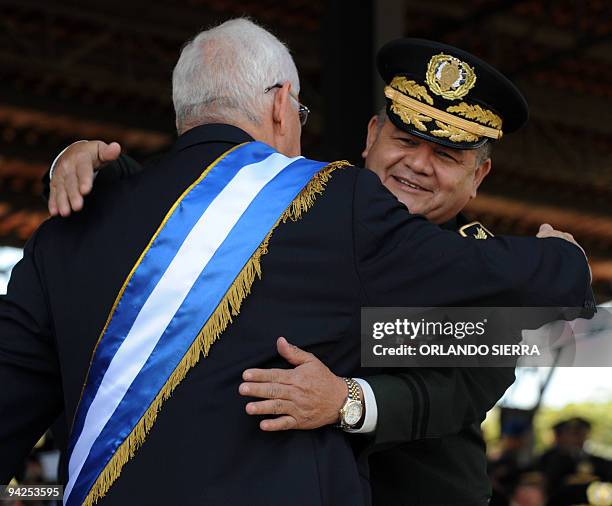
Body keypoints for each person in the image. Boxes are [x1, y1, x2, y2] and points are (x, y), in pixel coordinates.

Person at [40, 36, 596, 506]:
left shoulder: (488, 274)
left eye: (446, 157)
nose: (418, 165)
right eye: (405, 140)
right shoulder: (303, 206)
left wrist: (345, 400)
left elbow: (451, 394)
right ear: (372, 134)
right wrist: (99, 169)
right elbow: (198, 209)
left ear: (480, 175)